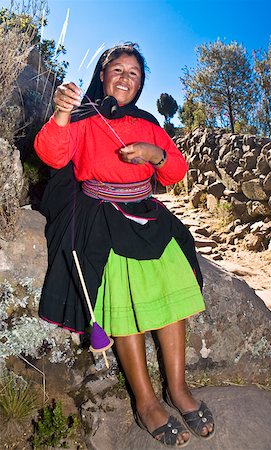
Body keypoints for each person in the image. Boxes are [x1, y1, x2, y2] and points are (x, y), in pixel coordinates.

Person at [34, 42, 214, 447]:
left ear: (141, 83)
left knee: (173, 284)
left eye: (133, 73)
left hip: (145, 211)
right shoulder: (82, 116)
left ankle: (179, 389)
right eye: (117, 70)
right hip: (101, 213)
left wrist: (155, 154)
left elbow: (175, 173)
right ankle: (147, 401)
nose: (125, 78)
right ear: (102, 75)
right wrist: (62, 112)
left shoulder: (149, 123)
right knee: (123, 300)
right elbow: (52, 154)